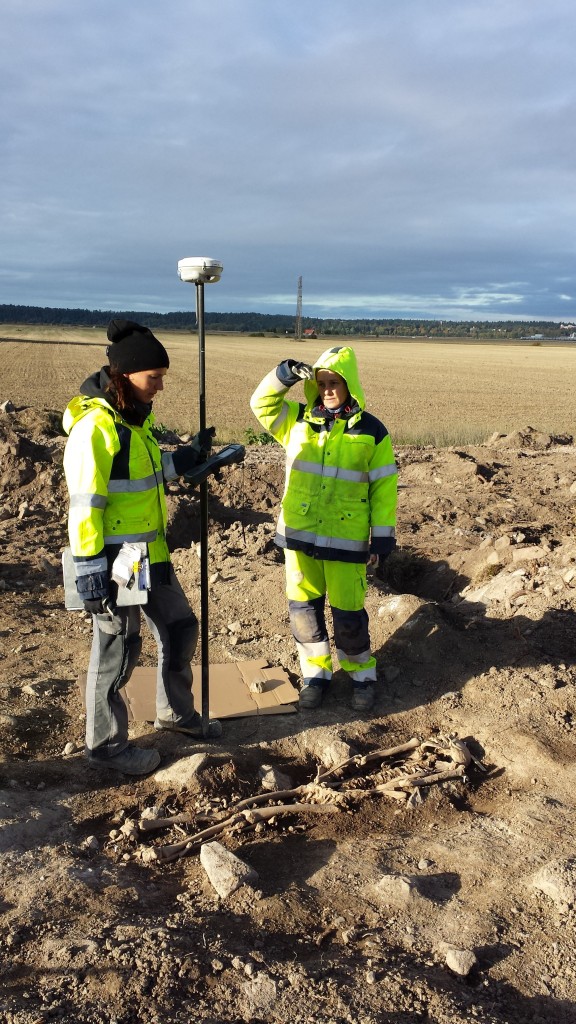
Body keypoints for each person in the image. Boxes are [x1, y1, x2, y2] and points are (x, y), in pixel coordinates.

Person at [63, 318, 221, 776]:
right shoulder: (96, 427)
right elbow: (85, 505)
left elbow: (142, 478)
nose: (160, 387)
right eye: (155, 378)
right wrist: (91, 568)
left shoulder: (134, 421)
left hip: (148, 554)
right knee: (118, 648)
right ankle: (106, 747)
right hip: (115, 560)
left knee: (180, 627)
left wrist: (185, 460)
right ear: (125, 376)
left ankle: (175, 714)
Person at [250, 346, 397, 712]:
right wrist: (283, 375)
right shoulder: (297, 420)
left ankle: (362, 676)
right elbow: (261, 404)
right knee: (304, 609)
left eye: (335, 382)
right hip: (299, 535)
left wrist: (382, 535)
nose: (328, 389)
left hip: (347, 541)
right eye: (322, 382)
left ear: (350, 385)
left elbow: (383, 487)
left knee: (348, 613)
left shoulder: (372, 431)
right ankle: (315, 676)